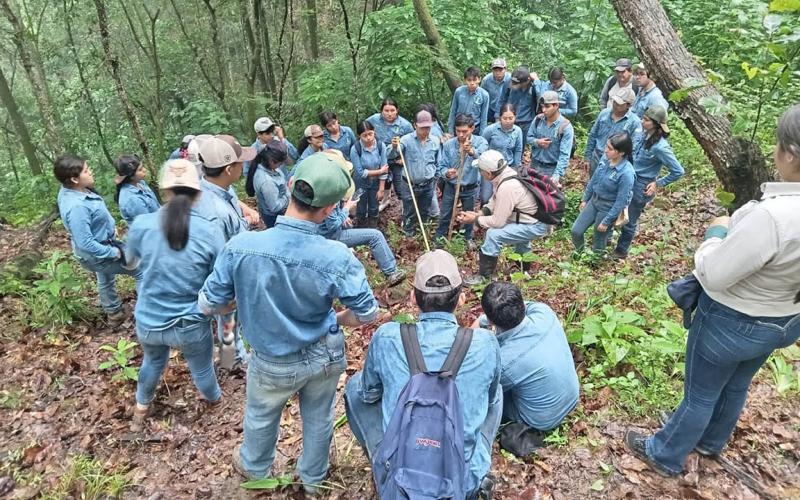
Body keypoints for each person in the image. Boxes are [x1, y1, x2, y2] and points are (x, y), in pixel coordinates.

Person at [624, 103, 800, 477]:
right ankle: (710, 441)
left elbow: (714, 274)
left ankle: (664, 453)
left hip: (733, 320)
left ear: (788, 153)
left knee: (700, 394)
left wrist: (715, 234)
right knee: (736, 384)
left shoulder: (775, 216)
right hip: (783, 319)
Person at [199, 154, 379, 495]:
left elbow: (208, 303)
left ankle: (256, 472)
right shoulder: (337, 255)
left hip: (270, 360)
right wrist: (336, 319)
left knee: (261, 417)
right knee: (319, 418)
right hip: (323, 355)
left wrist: (240, 302)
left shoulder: (241, 247)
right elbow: (367, 314)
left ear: (292, 187)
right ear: (329, 210)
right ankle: (313, 480)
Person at [344, 249, 501, 499]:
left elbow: (368, 393)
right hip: (461, 480)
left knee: (354, 387)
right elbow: (491, 400)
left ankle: (385, 465)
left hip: (401, 482)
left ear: (414, 299)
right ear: (460, 299)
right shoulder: (485, 342)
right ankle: (475, 474)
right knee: (496, 392)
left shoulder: (387, 336)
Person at [127, 159, 224, 432]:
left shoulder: (141, 224)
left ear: (163, 190)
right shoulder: (208, 229)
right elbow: (222, 275)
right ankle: (216, 403)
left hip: (148, 319)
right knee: (202, 369)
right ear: (198, 192)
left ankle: (140, 411)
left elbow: (131, 261)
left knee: (152, 362)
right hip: (190, 321)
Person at [475, 282, 579, 431]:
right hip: (570, 398)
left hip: (539, 419)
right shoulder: (543, 312)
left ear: (491, 320)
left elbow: (479, 388)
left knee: (488, 397)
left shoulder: (506, 362)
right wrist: (480, 321)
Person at [54, 155, 142, 326]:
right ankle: (148, 314)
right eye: (86, 171)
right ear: (74, 179)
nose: (90, 172)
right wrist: (114, 252)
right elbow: (85, 243)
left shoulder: (73, 190)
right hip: (97, 253)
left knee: (105, 277)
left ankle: (114, 312)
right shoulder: (76, 206)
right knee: (141, 270)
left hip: (103, 244)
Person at [195, 135, 257, 370]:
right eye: (241, 163)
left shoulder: (218, 187)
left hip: (232, 257)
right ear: (229, 168)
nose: (244, 166)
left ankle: (231, 354)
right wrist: (230, 287)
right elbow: (220, 256)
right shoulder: (213, 212)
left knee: (230, 316)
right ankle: (234, 359)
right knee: (228, 315)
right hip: (221, 271)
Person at [458, 150, 551, 283]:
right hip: (531, 220)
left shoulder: (507, 187)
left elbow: (497, 222)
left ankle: (483, 276)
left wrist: (475, 220)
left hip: (535, 225)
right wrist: (480, 213)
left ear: (489, 173)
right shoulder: (506, 174)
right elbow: (495, 200)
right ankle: (523, 268)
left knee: (493, 235)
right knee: (520, 240)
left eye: (481, 170)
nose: (480, 173)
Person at [317, 149, 406, 287]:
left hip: (324, 233)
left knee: (352, 227)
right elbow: (332, 225)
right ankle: (391, 272)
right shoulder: (327, 192)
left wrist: (342, 213)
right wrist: (346, 209)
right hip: (329, 236)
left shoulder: (321, 185)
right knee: (375, 236)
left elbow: (329, 215)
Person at [614, 105, 684, 259]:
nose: (642, 121)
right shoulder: (641, 135)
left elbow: (678, 171)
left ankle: (621, 251)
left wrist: (657, 183)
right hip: (628, 177)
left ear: (656, 124)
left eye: (646, 120)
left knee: (630, 219)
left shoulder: (661, 147)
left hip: (641, 185)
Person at [571, 133, 635, 255]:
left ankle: (595, 263)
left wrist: (607, 221)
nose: (605, 150)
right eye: (606, 146)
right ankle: (580, 255)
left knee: (599, 239)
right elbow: (593, 180)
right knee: (576, 231)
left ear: (621, 153)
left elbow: (621, 201)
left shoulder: (626, 173)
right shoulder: (605, 160)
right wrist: (585, 199)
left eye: (610, 149)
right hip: (594, 201)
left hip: (607, 207)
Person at [435, 113, 489, 246]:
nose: (460, 135)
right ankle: (439, 239)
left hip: (470, 187)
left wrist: (471, 151)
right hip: (451, 186)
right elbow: (441, 166)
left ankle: (467, 238)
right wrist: (446, 173)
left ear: (472, 128)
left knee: (468, 214)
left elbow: (483, 161)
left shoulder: (481, 142)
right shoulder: (448, 145)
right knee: (445, 214)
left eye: (464, 131)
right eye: (458, 131)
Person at [388, 109, 441, 236]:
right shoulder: (406, 140)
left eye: (428, 128)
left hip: (428, 184)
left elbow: (438, 163)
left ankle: (421, 233)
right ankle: (408, 234)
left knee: (425, 210)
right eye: (422, 128)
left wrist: (436, 181)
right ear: (415, 125)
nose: (425, 131)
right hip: (409, 184)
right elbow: (392, 154)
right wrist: (394, 146)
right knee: (409, 211)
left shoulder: (435, 141)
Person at [585, 86, 641, 174]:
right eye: (614, 102)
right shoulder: (604, 113)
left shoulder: (634, 122)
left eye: (619, 104)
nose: (615, 105)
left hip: (615, 164)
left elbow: (633, 149)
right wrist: (587, 157)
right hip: (596, 158)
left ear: (628, 105)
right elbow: (593, 135)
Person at [367, 98, 414, 197]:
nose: (389, 114)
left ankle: (405, 208)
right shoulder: (373, 120)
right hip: (379, 158)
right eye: (386, 111)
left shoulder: (405, 125)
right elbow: (364, 131)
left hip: (397, 160)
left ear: (397, 110)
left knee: (401, 187)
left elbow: (412, 143)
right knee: (377, 186)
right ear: (381, 111)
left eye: (392, 110)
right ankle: (384, 201)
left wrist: (404, 158)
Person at [526, 91, 575, 185]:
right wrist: (537, 142)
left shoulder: (565, 127)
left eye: (547, 106)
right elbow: (528, 138)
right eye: (542, 106)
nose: (544, 110)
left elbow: (564, 155)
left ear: (556, 105)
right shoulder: (538, 119)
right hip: (534, 164)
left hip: (551, 169)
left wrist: (557, 175)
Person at [481, 103, 523, 204]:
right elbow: (482, 146)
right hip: (490, 169)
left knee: (503, 197)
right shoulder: (490, 130)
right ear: (500, 118)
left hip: (507, 168)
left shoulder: (517, 131)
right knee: (486, 198)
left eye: (511, 118)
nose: (508, 121)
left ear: (515, 117)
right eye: (505, 118)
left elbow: (518, 150)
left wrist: (516, 169)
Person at [350, 120, 389, 227]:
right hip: (360, 182)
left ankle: (373, 227)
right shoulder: (355, 149)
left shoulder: (381, 146)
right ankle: (361, 228)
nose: (368, 138)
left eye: (370, 134)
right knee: (361, 206)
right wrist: (380, 171)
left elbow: (384, 167)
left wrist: (381, 188)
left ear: (374, 132)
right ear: (359, 136)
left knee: (374, 206)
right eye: (364, 135)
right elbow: (361, 172)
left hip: (376, 182)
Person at [245, 140, 290, 229]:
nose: (281, 165)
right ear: (272, 161)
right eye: (280, 163)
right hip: (275, 216)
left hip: (275, 209)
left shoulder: (269, 167)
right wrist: (288, 196)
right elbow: (274, 207)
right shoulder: (267, 182)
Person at [114, 154, 160, 225]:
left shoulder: (140, 183)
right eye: (140, 170)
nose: (144, 170)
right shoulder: (132, 199)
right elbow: (147, 224)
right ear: (131, 176)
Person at [499, 66, 537, 146]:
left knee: (520, 147)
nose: (513, 85)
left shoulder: (534, 86)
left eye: (516, 83)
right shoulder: (508, 83)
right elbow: (502, 100)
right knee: (505, 145)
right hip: (509, 119)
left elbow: (543, 98)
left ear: (527, 81)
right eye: (513, 82)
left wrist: (537, 81)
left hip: (526, 122)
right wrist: (498, 117)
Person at [448, 66, 491, 135]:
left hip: (474, 129)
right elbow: (453, 111)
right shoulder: (459, 92)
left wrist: (482, 135)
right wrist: (451, 131)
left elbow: (484, 117)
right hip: (459, 128)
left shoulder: (484, 95)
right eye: (469, 80)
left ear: (479, 79)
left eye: (474, 80)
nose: (472, 83)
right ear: (465, 80)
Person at [481, 57, 511, 124]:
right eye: (495, 70)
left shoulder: (510, 79)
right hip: (490, 108)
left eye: (500, 70)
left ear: (505, 69)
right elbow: (482, 96)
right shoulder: (486, 80)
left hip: (506, 109)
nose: (498, 73)